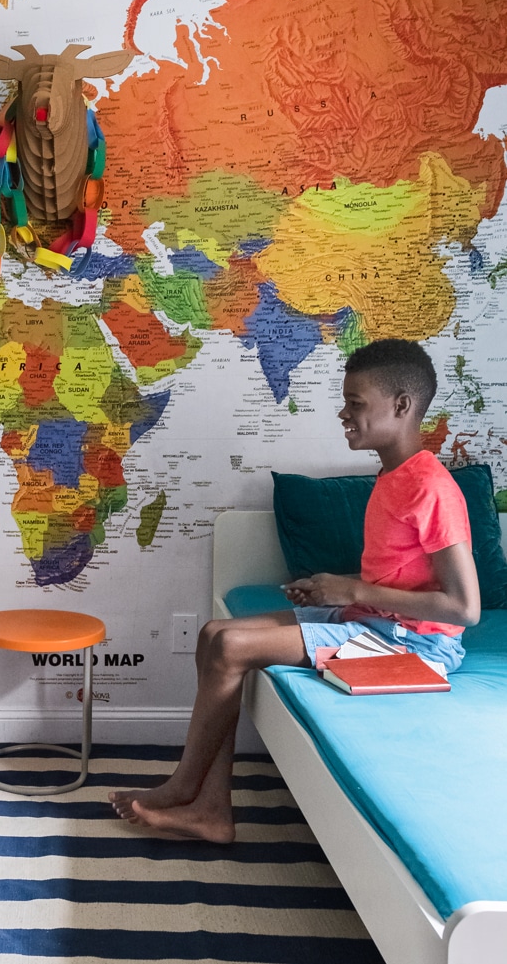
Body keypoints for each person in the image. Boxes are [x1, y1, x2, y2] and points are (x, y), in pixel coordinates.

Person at [110, 339, 480, 841]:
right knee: (214, 633)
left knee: (233, 647)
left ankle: (183, 789)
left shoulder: (431, 487)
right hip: (372, 622)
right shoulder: (394, 474)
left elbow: (464, 608)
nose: (343, 412)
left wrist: (350, 591)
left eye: (356, 403)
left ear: (401, 405)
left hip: (414, 645)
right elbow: (396, 574)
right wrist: (335, 591)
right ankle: (212, 807)